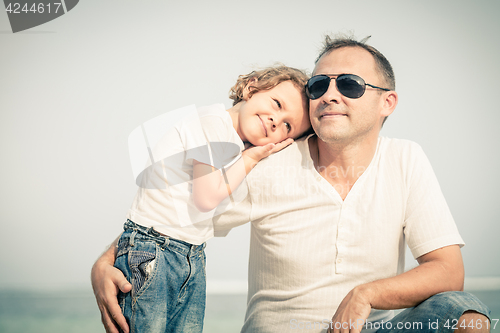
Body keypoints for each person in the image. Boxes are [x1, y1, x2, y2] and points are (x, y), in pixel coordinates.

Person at [92, 35, 491, 333]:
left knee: (466, 311)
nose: (329, 95)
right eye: (319, 86)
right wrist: (105, 263)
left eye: (349, 85)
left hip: (366, 327)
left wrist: (365, 295)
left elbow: (447, 272)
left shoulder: (407, 160)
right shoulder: (269, 163)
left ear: (387, 102)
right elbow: (178, 213)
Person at [104, 65, 312, 333]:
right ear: (251, 87)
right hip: (153, 248)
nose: (276, 120)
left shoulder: (235, 145)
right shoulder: (212, 123)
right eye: (277, 103)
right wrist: (252, 157)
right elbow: (207, 197)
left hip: (192, 253)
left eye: (287, 126)